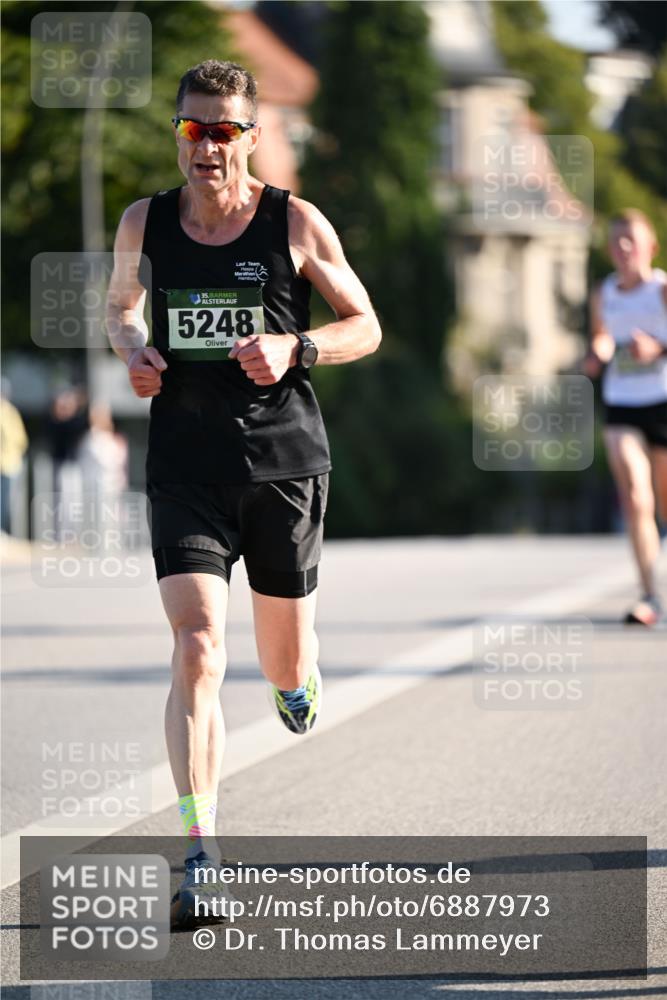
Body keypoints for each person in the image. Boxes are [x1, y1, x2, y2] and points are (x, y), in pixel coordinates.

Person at [106, 60, 381, 925]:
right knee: (196, 645)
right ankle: (201, 851)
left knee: (281, 663)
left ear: (251, 138)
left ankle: (297, 677)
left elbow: (366, 323)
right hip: (185, 467)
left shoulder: (292, 221)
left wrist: (298, 347)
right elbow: (120, 306)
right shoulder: (144, 221)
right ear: (178, 134)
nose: (207, 145)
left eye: (223, 130)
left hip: (281, 468)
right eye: (193, 128)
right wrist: (132, 347)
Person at [585, 209, 667, 626]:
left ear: (650, 246)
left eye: (631, 240)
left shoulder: (662, 290)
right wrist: (597, 354)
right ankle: (649, 596)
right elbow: (601, 335)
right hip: (622, 403)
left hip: (663, 401)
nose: (623, 248)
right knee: (636, 496)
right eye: (616, 241)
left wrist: (657, 349)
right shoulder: (604, 293)